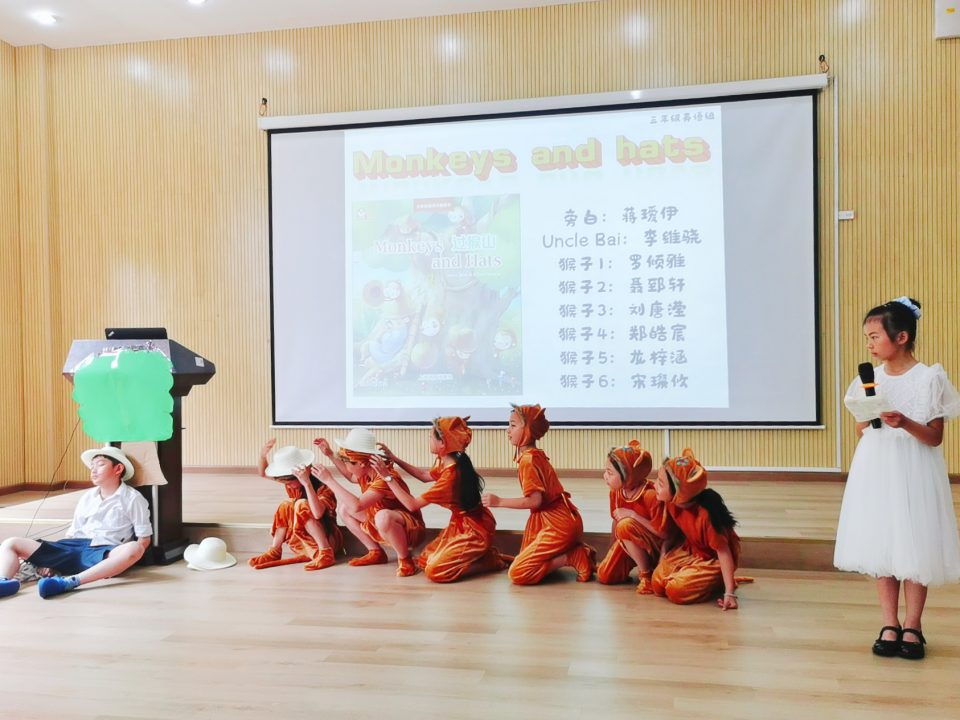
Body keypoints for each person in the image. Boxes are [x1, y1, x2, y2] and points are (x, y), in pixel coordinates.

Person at [835, 297, 960, 659]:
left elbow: (934, 437)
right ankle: (889, 622)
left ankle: (913, 624)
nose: (869, 344)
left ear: (901, 337)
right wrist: (871, 415)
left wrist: (904, 422)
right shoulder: (868, 379)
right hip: (877, 466)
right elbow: (862, 428)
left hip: (915, 467)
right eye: (867, 338)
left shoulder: (929, 379)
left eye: (875, 337)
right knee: (884, 542)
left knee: (915, 543)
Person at [0, 446, 151, 599]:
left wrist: (118, 565)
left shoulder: (133, 498)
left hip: (102, 551)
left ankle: (69, 582)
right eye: (92, 466)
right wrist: (52, 561)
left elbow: (144, 539)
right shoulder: (87, 497)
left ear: (118, 468)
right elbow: (73, 531)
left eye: (100, 465)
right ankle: (3, 582)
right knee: (11, 543)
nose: (93, 470)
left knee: (135, 548)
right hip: (71, 546)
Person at [377, 416, 512, 583]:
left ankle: (489, 561)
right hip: (462, 523)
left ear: (443, 443)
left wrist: (387, 477)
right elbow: (423, 475)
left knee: (435, 571)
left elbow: (411, 505)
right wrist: (395, 458)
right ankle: (479, 556)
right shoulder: (450, 461)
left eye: (431, 437)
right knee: (424, 561)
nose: (429, 439)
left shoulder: (450, 477)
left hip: (474, 530)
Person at [482, 404, 596, 585]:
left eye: (513, 425)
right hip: (557, 519)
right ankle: (572, 552)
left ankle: (572, 556)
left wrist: (499, 501)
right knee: (527, 560)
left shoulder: (528, 460)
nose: (507, 430)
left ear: (527, 430)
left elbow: (535, 501)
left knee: (518, 573)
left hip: (558, 524)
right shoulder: (533, 454)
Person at [312, 428, 425, 577]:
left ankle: (405, 559)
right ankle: (376, 552)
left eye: (347, 462)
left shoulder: (384, 477)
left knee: (382, 516)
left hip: (409, 527)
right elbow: (351, 477)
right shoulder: (366, 472)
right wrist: (330, 454)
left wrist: (329, 480)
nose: (346, 467)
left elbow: (357, 505)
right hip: (380, 519)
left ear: (361, 464)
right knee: (345, 509)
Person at [651, 449, 745, 609]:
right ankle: (691, 576)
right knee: (657, 584)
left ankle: (719, 581)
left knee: (676, 590)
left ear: (679, 492)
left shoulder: (707, 515)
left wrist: (729, 593)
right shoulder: (671, 502)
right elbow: (671, 534)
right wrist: (663, 555)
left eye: (660, 484)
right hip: (690, 551)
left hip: (712, 560)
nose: (654, 485)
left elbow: (723, 552)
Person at [248, 440, 343, 571]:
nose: (288, 486)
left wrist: (307, 483)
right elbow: (263, 473)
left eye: (290, 482)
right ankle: (275, 551)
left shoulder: (323, 486)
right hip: (304, 541)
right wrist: (262, 456)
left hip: (329, 539)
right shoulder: (294, 485)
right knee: (286, 504)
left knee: (301, 504)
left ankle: (326, 553)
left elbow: (317, 514)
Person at [596, 441, 664, 594]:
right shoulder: (615, 493)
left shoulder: (650, 495)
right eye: (606, 471)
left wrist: (633, 516)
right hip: (630, 543)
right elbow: (615, 522)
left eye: (610, 473)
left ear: (628, 476)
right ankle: (637, 563)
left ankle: (646, 575)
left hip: (655, 547)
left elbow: (664, 533)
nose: (605, 476)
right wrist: (610, 553)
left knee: (625, 525)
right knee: (605, 575)